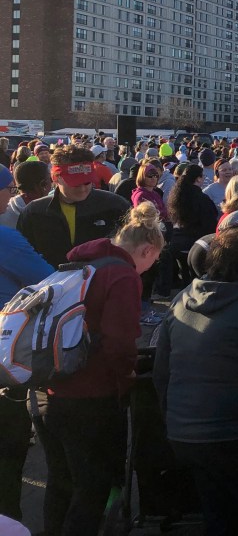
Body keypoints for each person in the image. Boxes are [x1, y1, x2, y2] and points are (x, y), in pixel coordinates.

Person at [35, 202, 164, 536]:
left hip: (48, 388)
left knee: (61, 482)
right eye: (153, 261)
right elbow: (119, 340)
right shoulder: (121, 275)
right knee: (92, 486)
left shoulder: (74, 265)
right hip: (90, 395)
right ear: (147, 250)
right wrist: (127, 380)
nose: (149, 269)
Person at [153, 224, 238, 536]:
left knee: (218, 515)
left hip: (186, 432)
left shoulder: (183, 298)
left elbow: (161, 372)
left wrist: (174, 418)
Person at [0, 165, 54, 522]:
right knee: (8, 447)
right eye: (6, 188)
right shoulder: (5, 239)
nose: (10, 195)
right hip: (4, 356)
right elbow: (48, 282)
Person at [17, 145, 131, 269]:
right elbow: (22, 259)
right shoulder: (34, 212)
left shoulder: (115, 206)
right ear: (55, 178)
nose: (83, 189)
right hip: (50, 284)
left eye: (87, 182)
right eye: (75, 183)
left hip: (103, 284)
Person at [0, 160, 51, 229]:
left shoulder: (5, 208)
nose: (52, 182)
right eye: (50, 179)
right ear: (43, 184)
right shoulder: (49, 214)